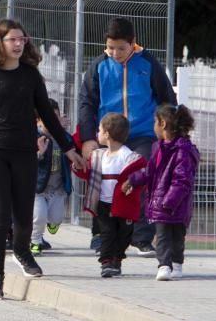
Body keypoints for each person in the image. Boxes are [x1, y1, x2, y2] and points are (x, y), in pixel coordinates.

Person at [0, 20, 83, 298]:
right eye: (12, 40)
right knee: (0, 216)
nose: (18, 44)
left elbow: (48, 117)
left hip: (25, 151)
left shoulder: (30, 76)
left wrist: (68, 147)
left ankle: (22, 251)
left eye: (21, 40)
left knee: (24, 216)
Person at [78, 17, 176, 257]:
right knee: (103, 183)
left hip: (142, 134)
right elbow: (86, 103)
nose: (115, 53)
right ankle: (100, 234)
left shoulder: (148, 63)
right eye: (111, 47)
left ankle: (141, 237)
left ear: (133, 43)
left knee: (140, 179)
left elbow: (167, 99)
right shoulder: (99, 66)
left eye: (121, 48)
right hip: (108, 137)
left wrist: (167, 131)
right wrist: (89, 138)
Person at [124, 104, 199, 281]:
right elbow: (150, 171)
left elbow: (182, 180)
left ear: (163, 124)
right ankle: (164, 265)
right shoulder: (157, 148)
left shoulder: (183, 150)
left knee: (178, 237)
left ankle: (177, 263)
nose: (153, 126)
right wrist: (133, 180)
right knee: (163, 236)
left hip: (176, 204)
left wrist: (170, 200)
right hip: (161, 204)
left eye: (154, 122)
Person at [83, 113, 148, 278]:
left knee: (124, 234)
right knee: (107, 232)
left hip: (123, 205)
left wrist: (131, 182)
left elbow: (140, 174)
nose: (97, 133)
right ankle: (106, 262)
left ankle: (117, 259)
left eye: (99, 130)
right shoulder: (99, 156)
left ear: (107, 135)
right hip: (104, 203)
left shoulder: (128, 156)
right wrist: (79, 169)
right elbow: (90, 174)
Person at [31, 98, 75, 255]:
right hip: (38, 187)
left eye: (55, 116)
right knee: (39, 216)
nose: (52, 120)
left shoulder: (64, 137)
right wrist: (39, 153)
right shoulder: (35, 137)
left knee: (56, 218)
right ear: (38, 120)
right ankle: (35, 241)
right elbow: (28, 162)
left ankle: (52, 223)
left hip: (58, 187)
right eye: (47, 117)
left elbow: (73, 149)